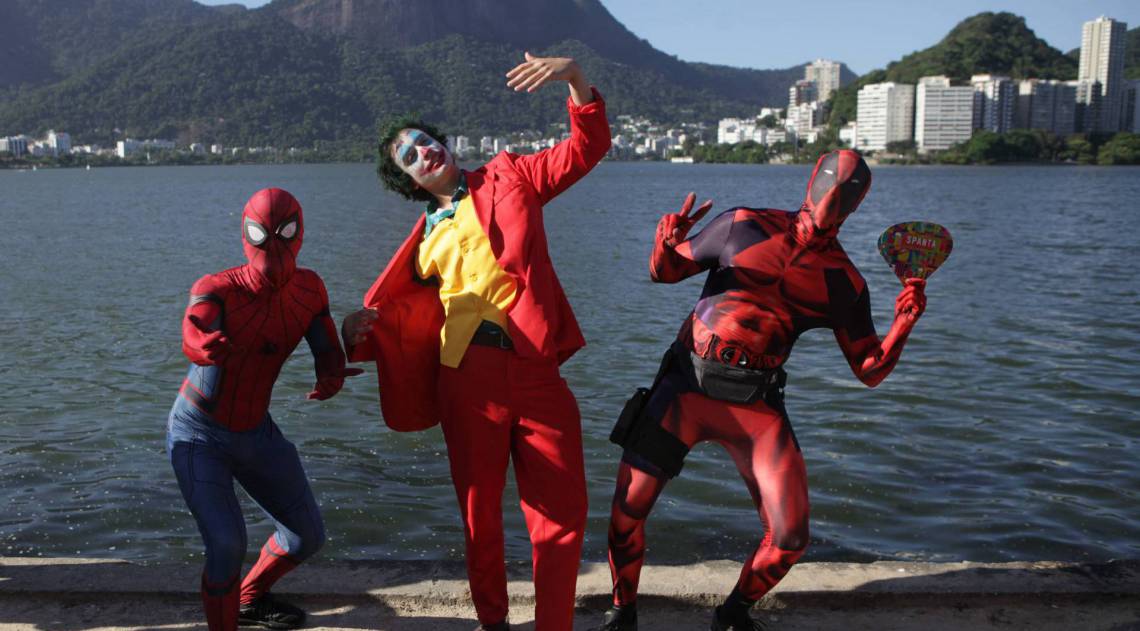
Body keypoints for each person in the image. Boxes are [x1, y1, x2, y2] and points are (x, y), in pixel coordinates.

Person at [601, 150, 928, 631]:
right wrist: (665, 242)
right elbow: (665, 273)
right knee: (626, 514)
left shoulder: (843, 281)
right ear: (813, 180)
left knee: (790, 537)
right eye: (832, 181)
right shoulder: (743, 226)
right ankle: (622, 612)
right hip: (686, 387)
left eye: (851, 189)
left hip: (756, 402)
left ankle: (732, 614)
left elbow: (869, 369)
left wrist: (903, 323)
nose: (836, 193)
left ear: (860, 203)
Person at [342, 53, 610, 631]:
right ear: (409, 181)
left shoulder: (510, 175)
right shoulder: (419, 247)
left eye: (425, 140)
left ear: (443, 143)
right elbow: (397, 318)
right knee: (479, 518)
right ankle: (493, 623)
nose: (423, 152)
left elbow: (585, 151)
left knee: (561, 518)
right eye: (409, 156)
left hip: (537, 369)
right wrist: (352, 329)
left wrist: (575, 80)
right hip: (466, 380)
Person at [168, 187, 361, 630]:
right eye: (262, 234)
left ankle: (250, 598)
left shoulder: (309, 290)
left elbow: (325, 346)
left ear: (299, 234)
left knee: (306, 535)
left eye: (283, 232)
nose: (272, 245)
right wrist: (201, 344)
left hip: (256, 431)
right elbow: (194, 327)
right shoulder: (216, 288)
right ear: (245, 235)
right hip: (199, 432)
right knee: (225, 544)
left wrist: (331, 373)